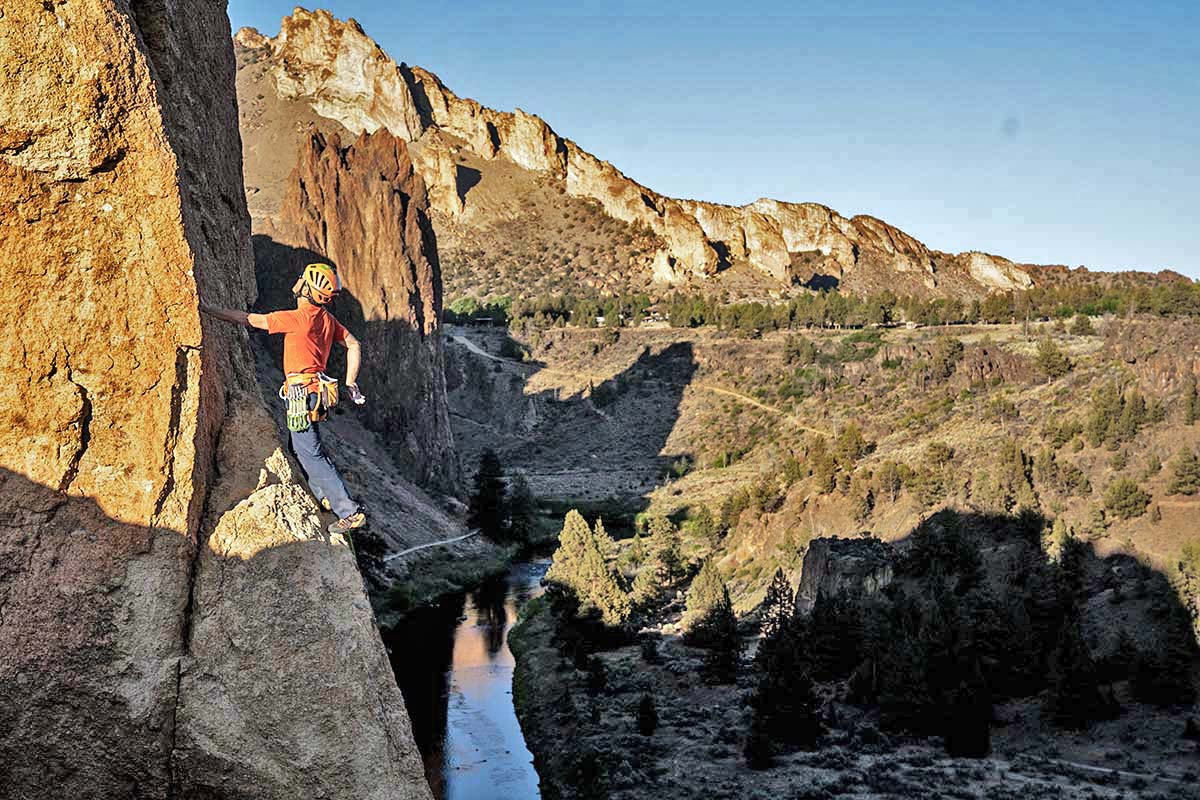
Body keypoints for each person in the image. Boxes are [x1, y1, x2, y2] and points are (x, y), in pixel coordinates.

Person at [200, 263, 368, 534]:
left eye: (302, 279)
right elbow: (354, 344)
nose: (298, 281)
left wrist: (210, 309)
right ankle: (323, 494)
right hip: (317, 393)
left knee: (310, 453)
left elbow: (249, 319)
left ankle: (349, 511)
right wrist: (350, 382)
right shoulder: (327, 320)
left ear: (308, 289)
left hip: (302, 394)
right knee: (300, 447)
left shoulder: (298, 318)